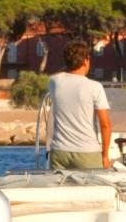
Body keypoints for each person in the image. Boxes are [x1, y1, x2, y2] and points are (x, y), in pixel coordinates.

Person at [46, 41, 111, 171]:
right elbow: (105, 124)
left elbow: (62, 76)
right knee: (93, 190)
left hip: (59, 151)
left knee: (59, 190)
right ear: (86, 61)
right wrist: (105, 155)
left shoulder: (54, 82)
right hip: (87, 153)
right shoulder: (94, 87)